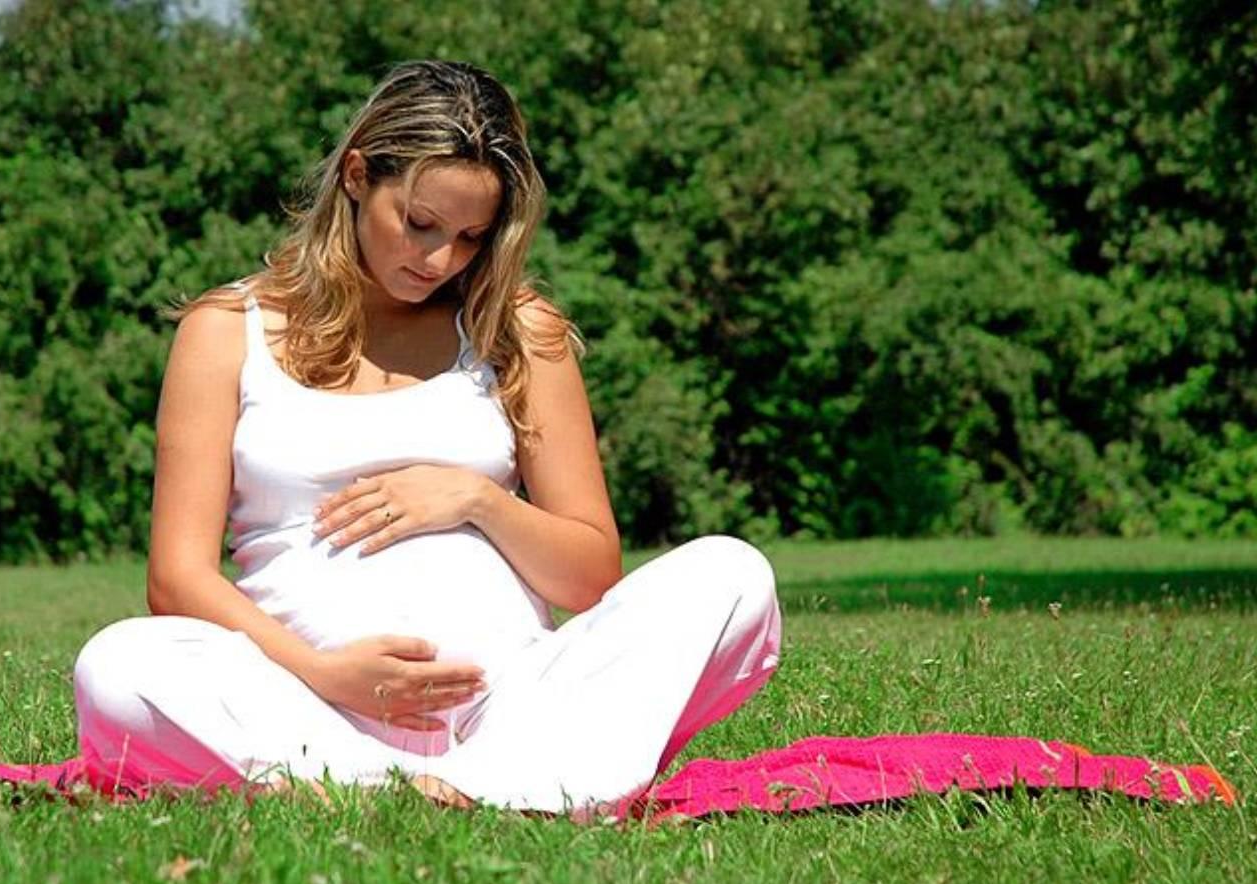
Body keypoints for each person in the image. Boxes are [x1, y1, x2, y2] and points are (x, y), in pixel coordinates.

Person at [71, 60, 781, 816]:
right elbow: (177, 580)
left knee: (733, 574)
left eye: (471, 237)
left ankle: (462, 785)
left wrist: (476, 499)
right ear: (355, 177)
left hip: (511, 705)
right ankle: (446, 788)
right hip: (309, 704)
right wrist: (324, 673)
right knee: (117, 663)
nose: (440, 259)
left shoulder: (518, 328)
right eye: (419, 223)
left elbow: (589, 578)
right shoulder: (226, 332)